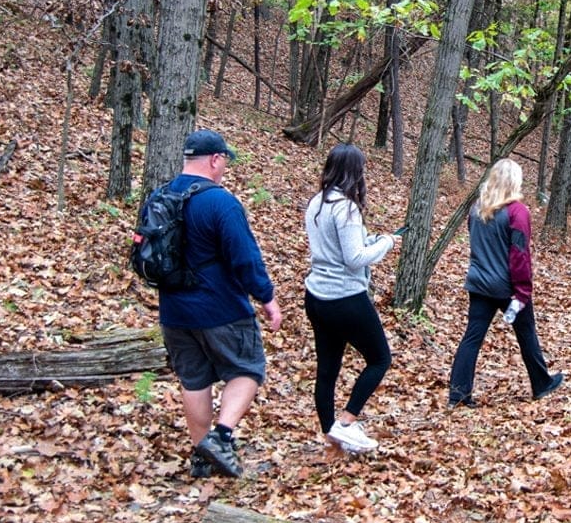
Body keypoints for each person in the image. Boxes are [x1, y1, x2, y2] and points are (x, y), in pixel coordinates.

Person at [159, 129, 283, 479]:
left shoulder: (161, 196)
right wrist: (267, 297)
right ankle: (221, 436)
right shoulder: (221, 203)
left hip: (174, 311)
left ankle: (201, 457)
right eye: (224, 161)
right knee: (248, 368)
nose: (224, 167)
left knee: (194, 381)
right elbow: (244, 257)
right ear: (215, 160)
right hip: (221, 309)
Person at [304, 143, 399, 454]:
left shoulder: (317, 202)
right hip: (345, 298)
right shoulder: (345, 208)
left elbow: (338, 248)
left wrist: (372, 239)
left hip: (317, 296)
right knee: (380, 358)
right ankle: (345, 423)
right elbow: (355, 259)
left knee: (327, 368)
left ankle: (330, 431)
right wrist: (385, 243)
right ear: (354, 172)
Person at [447, 158, 563, 408]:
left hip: (479, 283)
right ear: (515, 181)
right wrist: (522, 292)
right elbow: (519, 254)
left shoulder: (477, 210)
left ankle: (458, 394)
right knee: (527, 334)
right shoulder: (517, 212)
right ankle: (541, 384)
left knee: (472, 338)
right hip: (507, 287)